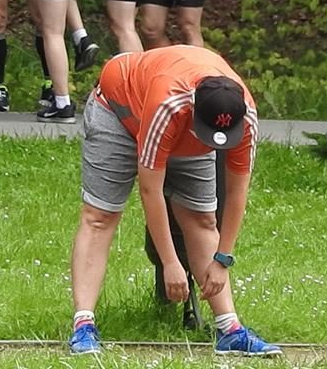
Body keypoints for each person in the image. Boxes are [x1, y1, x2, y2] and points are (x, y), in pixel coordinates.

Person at [66, 45, 281, 357]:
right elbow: (150, 190)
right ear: (193, 109)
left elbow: (237, 191)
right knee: (101, 216)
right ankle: (83, 326)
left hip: (184, 127)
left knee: (202, 219)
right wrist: (170, 262)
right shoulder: (169, 101)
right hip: (122, 110)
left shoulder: (244, 115)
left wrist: (223, 259)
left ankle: (230, 329)